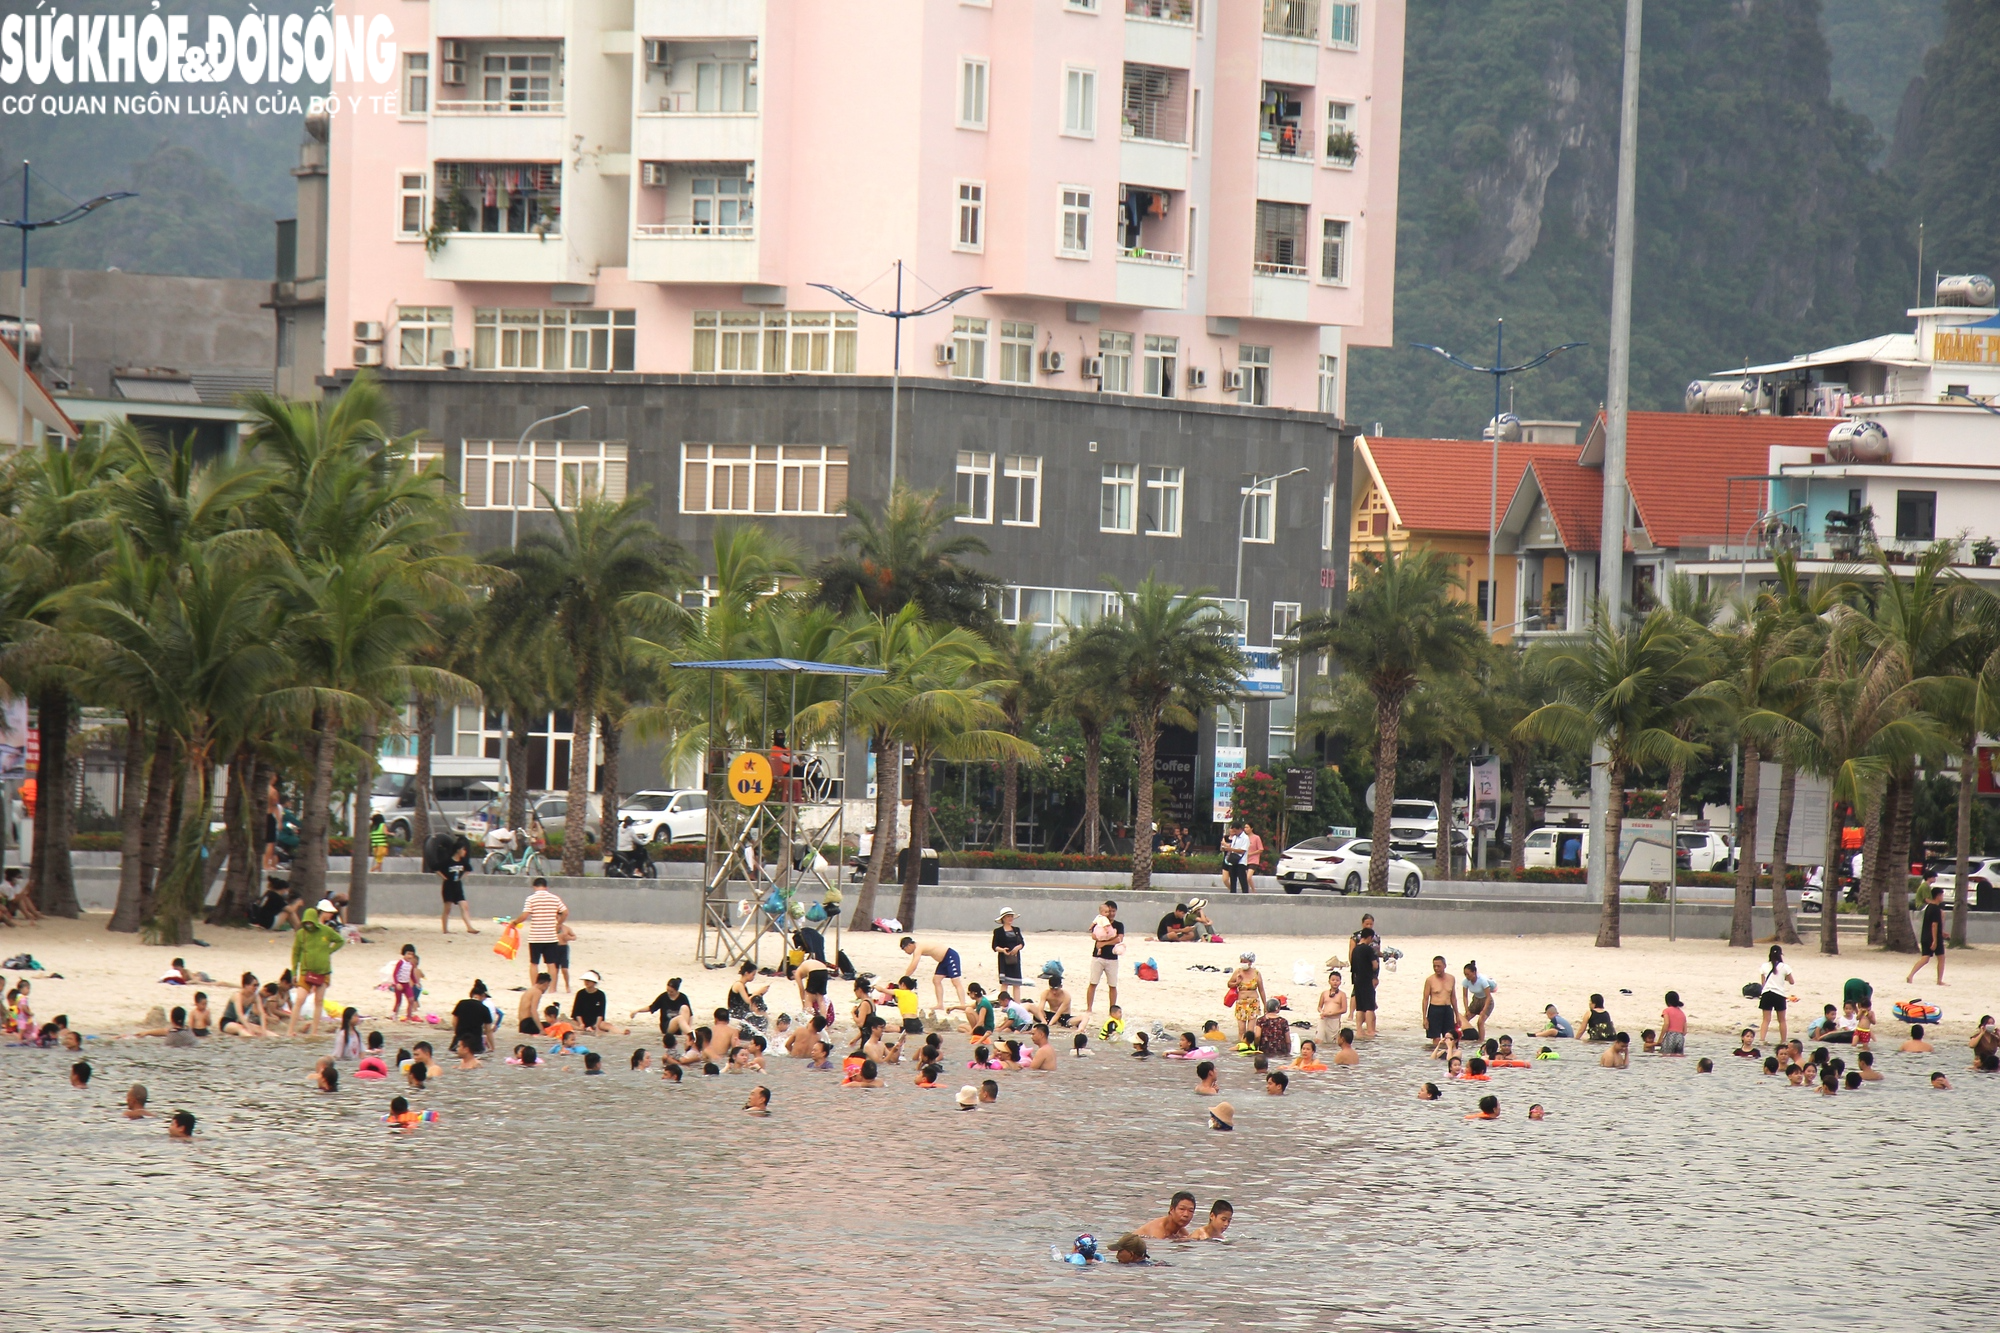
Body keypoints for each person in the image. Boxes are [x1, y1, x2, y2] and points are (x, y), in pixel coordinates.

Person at [287, 908, 344, 1038]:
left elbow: (340, 940)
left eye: (310, 922)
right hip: (305, 971)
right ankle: (290, 1030)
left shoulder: (326, 931)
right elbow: (296, 953)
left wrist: (329, 951)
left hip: (323, 972)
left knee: (319, 1001)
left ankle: (314, 1031)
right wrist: (294, 971)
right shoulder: (301, 934)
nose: (308, 925)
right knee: (300, 999)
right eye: (306, 922)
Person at [508, 879, 569, 991]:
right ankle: (552, 989)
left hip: (535, 936)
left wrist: (515, 922)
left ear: (534, 887)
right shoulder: (555, 898)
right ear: (546, 887)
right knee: (551, 964)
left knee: (534, 963)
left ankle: (535, 988)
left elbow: (525, 915)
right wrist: (559, 923)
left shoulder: (531, 899)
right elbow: (565, 912)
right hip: (550, 936)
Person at [899, 936, 967, 1011]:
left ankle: (963, 1005)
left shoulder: (918, 948)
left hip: (950, 956)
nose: (906, 952)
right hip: (943, 961)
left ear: (909, 945)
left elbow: (914, 964)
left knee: (955, 981)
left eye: (905, 949)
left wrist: (905, 978)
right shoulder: (918, 947)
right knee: (936, 980)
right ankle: (940, 1004)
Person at [1085, 900, 1124, 1015]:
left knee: (1112, 985)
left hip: (1112, 958)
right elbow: (1094, 935)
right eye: (1108, 911)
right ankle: (1089, 1008)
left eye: (1113, 911)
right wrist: (1107, 940)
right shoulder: (1099, 922)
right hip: (1098, 957)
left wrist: (1103, 943)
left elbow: (1119, 939)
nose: (1111, 913)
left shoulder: (1119, 925)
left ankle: (1112, 1009)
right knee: (1093, 982)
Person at [1907, 885, 1947, 986]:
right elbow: (1934, 925)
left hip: (1925, 936)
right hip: (1934, 937)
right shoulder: (1936, 909)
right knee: (1941, 958)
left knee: (1925, 958)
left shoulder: (1928, 907)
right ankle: (1939, 980)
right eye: (1942, 895)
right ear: (1938, 896)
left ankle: (1911, 975)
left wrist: (1942, 932)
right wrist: (1935, 940)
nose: (1942, 897)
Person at [1756, 945, 1795, 1045]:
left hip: (1767, 994)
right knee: (1782, 1020)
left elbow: (1763, 983)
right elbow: (1792, 982)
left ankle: (1762, 1039)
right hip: (1779, 994)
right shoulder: (1785, 967)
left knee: (1765, 1019)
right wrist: (1783, 978)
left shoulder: (1764, 966)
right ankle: (1783, 1041)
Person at [438, 840, 477, 934]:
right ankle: (445, 929)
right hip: (448, 886)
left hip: (457, 886)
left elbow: (469, 869)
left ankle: (469, 927)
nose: (465, 852)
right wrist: (445, 878)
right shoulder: (448, 861)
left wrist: (461, 877)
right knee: (447, 908)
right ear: (458, 850)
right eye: (463, 850)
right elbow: (437, 868)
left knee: (464, 906)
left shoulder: (463, 861)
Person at [1227, 953, 1267, 1046]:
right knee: (1241, 1029)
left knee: (1250, 1029)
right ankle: (1242, 1046)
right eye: (1241, 961)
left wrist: (1265, 1005)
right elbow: (1229, 984)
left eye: (1245, 961)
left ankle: (1249, 1047)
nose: (1243, 963)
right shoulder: (1238, 972)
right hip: (1241, 1003)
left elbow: (1261, 990)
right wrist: (1237, 982)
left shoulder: (1256, 973)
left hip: (1253, 1003)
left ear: (1250, 962)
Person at [1348, 928, 1380, 1040]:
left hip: (1357, 980)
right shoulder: (1368, 949)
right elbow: (1375, 965)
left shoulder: (1355, 949)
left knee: (1360, 1007)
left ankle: (1359, 1030)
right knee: (1369, 1007)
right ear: (1369, 937)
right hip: (1367, 980)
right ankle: (1370, 1030)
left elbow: (1353, 965)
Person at [451, 980, 494, 1059]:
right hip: (476, 1043)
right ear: (483, 995)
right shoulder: (484, 1009)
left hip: (459, 1041)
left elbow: (454, 1022)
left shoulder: (461, 1003)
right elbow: (488, 1031)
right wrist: (492, 1047)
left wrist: (457, 1033)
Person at [1421, 956, 1460, 1043]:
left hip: (1447, 1009)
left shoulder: (1451, 978)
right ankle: (1435, 1055)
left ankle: (1448, 1055)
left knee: (1450, 1037)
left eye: (1438, 966)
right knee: (1436, 1038)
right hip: (1435, 1009)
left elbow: (1453, 997)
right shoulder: (1430, 980)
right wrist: (1424, 1017)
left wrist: (1457, 1015)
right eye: (1434, 966)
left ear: (1444, 965)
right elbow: (1425, 999)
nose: (1436, 968)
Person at [991, 910, 1025, 997]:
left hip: (1015, 958)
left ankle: (1017, 1005)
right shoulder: (998, 931)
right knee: (1005, 983)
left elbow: (1022, 943)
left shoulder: (1016, 930)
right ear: (1003, 918)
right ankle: (1003, 1004)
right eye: (1008, 916)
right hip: (1004, 960)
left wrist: (1017, 948)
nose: (1010, 918)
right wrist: (1002, 950)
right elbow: (994, 946)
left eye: (1011, 916)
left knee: (1016, 983)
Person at [1460, 961, 1497, 1041]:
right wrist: (1467, 1010)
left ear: (1474, 973)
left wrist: (1484, 1010)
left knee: (1480, 1022)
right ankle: (1461, 1038)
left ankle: (1480, 1041)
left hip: (1487, 1002)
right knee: (1464, 1019)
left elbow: (1488, 997)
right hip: (1476, 1000)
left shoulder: (1482, 981)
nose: (1467, 976)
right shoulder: (1466, 981)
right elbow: (1465, 996)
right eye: (1465, 974)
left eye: (1468, 974)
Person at [1318, 970, 1349, 1043]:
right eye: (1333, 980)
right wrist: (1322, 1012)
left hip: (1334, 1020)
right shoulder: (1324, 993)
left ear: (1340, 982)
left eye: (1337, 980)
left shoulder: (1342, 994)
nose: (1335, 982)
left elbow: (1344, 1009)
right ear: (1329, 981)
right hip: (1324, 1019)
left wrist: (1332, 1013)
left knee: (1331, 1042)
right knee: (1319, 1040)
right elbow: (1319, 1007)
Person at [1223, 822, 1254, 894]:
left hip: (1241, 861)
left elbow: (1243, 850)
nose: (1234, 832)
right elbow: (1233, 847)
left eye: (1235, 831)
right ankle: (1233, 893)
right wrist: (1227, 848)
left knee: (1242, 879)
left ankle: (1245, 894)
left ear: (1240, 829)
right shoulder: (1235, 837)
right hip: (1233, 860)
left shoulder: (1245, 838)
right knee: (1233, 879)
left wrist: (1231, 849)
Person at [1659, 992, 1688, 1056]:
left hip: (1670, 1036)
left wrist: (1660, 1038)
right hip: (1680, 1038)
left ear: (1667, 1001)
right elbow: (1685, 1032)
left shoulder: (1666, 1010)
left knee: (1665, 1056)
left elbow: (1666, 1024)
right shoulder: (1682, 1013)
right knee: (1678, 1057)